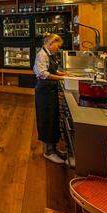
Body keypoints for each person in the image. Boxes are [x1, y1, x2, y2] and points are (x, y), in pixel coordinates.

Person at [34, 33, 70, 164]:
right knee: (47, 118)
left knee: (53, 118)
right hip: (44, 91)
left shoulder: (48, 54)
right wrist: (62, 78)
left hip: (50, 90)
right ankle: (48, 151)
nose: (58, 48)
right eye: (57, 45)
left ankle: (53, 148)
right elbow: (43, 74)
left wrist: (64, 73)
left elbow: (52, 70)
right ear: (50, 42)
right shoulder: (41, 55)